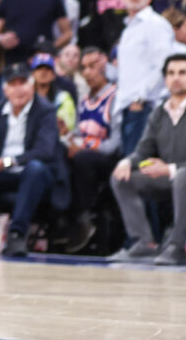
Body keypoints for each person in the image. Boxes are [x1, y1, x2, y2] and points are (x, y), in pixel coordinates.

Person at [109, 54, 186, 265]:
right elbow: (143, 151)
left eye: (182, 73)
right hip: (166, 178)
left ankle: (176, 247)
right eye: (171, 73)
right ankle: (144, 243)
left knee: (183, 176)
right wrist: (128, 162)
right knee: (121, 178)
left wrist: (168, 169)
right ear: (165, 79)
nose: (176, 78)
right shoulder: (159, 113)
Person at [0, 62, 68, 257]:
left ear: (32, 86)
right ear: (5, 89)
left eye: (23, 83)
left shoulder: (46, 111)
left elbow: (44, 151)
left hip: (35, 176)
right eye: (13, 84)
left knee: (35, 168)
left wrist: (4, 163)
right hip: (1, 174)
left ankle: (17, 235)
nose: (18, 89)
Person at [63, 46, 121, 253]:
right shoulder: (83, 102)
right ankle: (62, 217)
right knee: (61, 155)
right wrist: (68, 139)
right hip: (86, 159)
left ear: (104, 66)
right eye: (84, 68)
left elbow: (115, 144)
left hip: (109, 161)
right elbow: (78, 135)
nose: (87, 72)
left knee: (82, 158)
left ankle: (86, 214)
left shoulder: (115, 97)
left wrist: (84, 147)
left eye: (92, 66)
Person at [112, 0, 176, 156]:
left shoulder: (156, 24)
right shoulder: (128, 28)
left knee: (139, 163)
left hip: (145, 106)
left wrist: (141, 98)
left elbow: (164, 65)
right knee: (128, 163)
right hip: (127, 105)